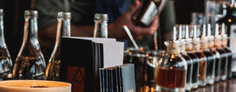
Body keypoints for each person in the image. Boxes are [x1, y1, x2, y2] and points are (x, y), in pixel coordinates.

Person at [36, 0, 175, 54]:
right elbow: (44, 30)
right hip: (78, 66)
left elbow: (170, 37)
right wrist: (109, 32)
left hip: (137, 69)